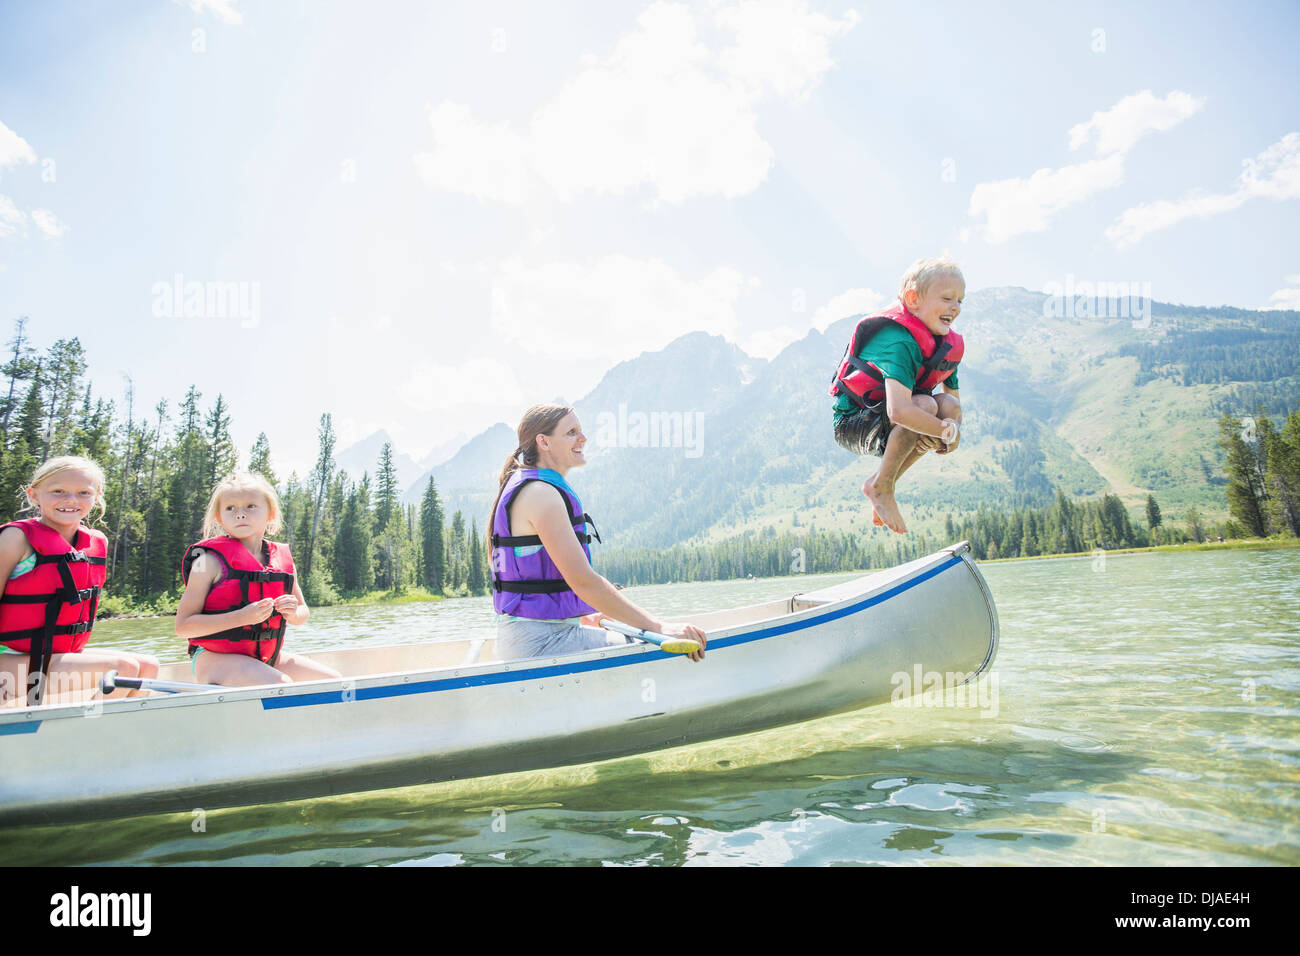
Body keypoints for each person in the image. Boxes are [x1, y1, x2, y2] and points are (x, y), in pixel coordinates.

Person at [488, 404, 708, 662]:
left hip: (531, 638)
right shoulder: (541, 494)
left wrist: (582, 615)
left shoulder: (532, 488)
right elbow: (583, 581)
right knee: (645, 641)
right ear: (543, 442)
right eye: (571, 432)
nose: (583, 438)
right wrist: (659, 627)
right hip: (542, 643)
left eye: (580, 430)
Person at [0, 456, 159, 707]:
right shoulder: (15, 538)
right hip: (8, 657)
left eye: (83, 492)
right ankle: (87, 737)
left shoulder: (98, 542)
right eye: (58, 491)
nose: (71, 500)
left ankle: (107, 736)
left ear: (96, 498)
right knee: (124, 668)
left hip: (54, 656)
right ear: (34, 495)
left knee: (149, 666)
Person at [829, 255, 966, 534]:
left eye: (960, 301)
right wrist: (945, 431)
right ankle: (882, 487)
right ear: (913, 299)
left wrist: (953, 432)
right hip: (854, 424)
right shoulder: (898, 339)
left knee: (947, 406)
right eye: (947, 298)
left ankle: (879, 483)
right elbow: (900, 412)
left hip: (890, 421)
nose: (955, 308)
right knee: (925, 406)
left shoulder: (944, 346)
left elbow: (953, 406)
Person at [176, 472, 339, 686]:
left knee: (335, 682)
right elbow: (183, 626)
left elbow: (302, 613)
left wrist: (293, 612)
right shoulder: (207, 562)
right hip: (214, 659)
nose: (240, 514)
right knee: (281, 685)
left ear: (270, 512)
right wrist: (242, 617)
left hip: (265, 658)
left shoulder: (281, 559)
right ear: (219, 518)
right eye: (230, 508)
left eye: (251, 506)